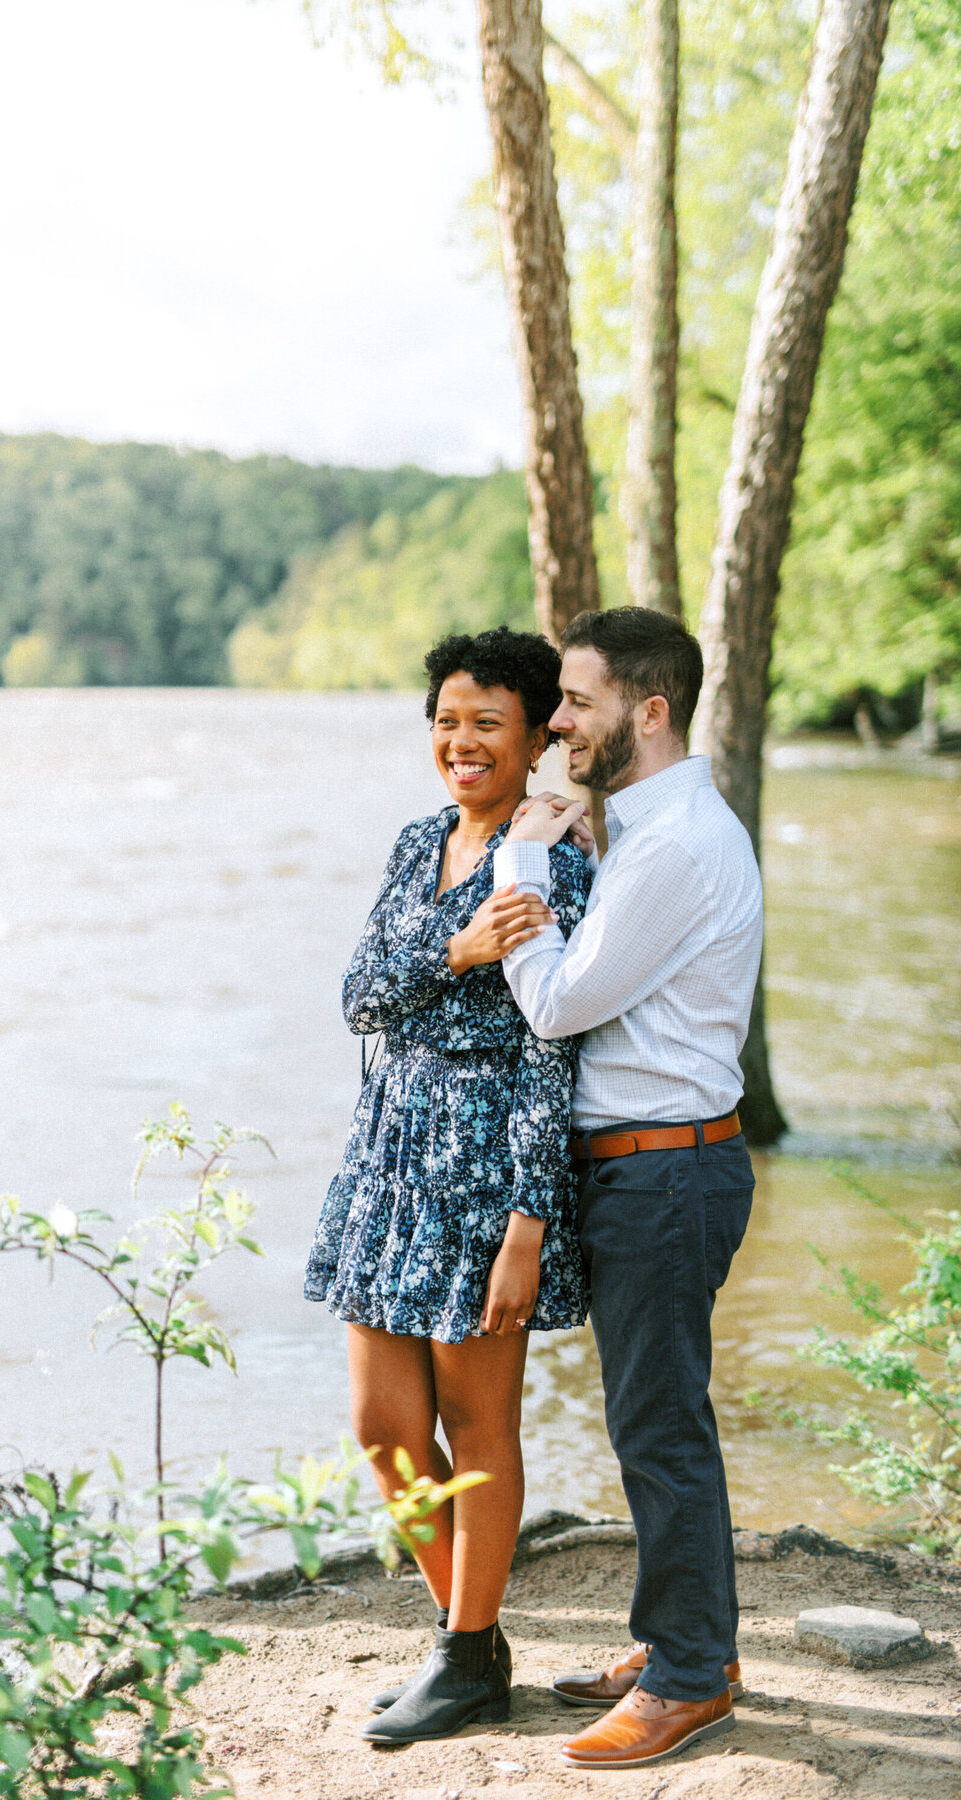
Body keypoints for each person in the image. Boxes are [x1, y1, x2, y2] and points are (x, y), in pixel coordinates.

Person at [465, 605, 763, 1770]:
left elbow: (556, 1001)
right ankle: (692, 1643)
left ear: (650, 710)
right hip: (661, 1163)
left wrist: (524, 862)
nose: (559, 722)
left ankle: (690, 1679)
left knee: (658, 1426)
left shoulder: (678, 841)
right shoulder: (647, 831)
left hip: (667, 1168)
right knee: (658, 1417)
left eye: (577, 703)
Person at [304, 626, 592, 1746]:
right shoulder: (419, 840)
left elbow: (550, 1049)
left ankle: (466, 1653)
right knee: (382, 1427)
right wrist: (454, 950)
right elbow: (361, 998)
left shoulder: (553, 864)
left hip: (484, 1162)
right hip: (389, 1149)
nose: (461, 744)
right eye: (446, 723)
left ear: (532, 741)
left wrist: (529, 1220)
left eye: (487, 725)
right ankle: (470, 1637)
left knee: (477, 1424)